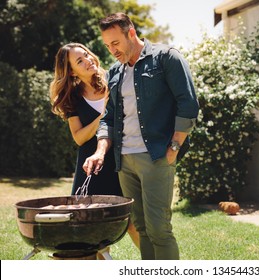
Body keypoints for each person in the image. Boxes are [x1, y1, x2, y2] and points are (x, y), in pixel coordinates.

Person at [83, 12, 199, 260]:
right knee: (142, 228)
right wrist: (100, 151)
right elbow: (109, 117)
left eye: (115, 43)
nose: (112, 50)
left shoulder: (166, 58)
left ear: (131, 33)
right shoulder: (115, 71)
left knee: (159, 228)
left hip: (156, 156)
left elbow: (188, 104)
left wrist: (174, 147)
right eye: (107, 45)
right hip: (124, 161)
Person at [49, 43, 140, 250]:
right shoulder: (72, 98)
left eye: (87, 55)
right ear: (71, 71)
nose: (88, 60)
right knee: (94, 229)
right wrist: (103, 116)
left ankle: (156, 267)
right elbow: (80, 138)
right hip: (92, 166)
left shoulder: (114, 79)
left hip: (122, 160)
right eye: (80, 61)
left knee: (133, 223)